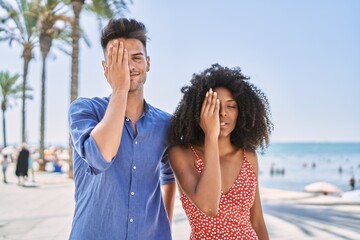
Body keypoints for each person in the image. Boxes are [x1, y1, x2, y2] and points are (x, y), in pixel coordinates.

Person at [68, 18, 176, 240]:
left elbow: (169, 175)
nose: (129, 66)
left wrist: (164, 227)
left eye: (136, 58)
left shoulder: (166, 124)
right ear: (106, 68)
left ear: (148, 63)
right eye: (118, 60)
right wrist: (119, 89)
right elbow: (100, 157)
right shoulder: (84, 110)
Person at [169, 64, 272, 239]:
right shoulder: (182, 153)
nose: (223, 113)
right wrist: (211, 135)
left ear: (241, 112)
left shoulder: (248, 156)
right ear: (199, 110)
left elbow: (256, 221)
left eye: (231, 106)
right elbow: (209, 206)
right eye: (214, 106)